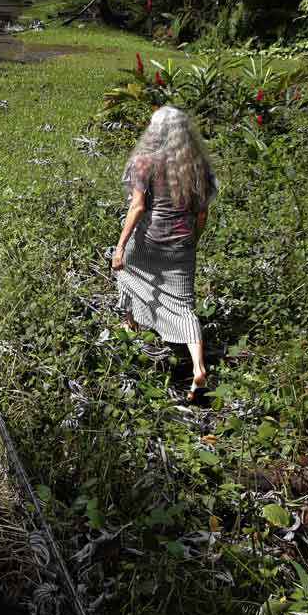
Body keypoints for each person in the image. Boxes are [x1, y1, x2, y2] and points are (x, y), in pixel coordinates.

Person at [111, 106, 218, 402]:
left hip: (150, 241)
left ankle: (131, 328)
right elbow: (202, 211)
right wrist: (193, 240)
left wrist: (120, 247)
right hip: (181, 244)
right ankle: (199, 367)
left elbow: (137, 207)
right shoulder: (197, 165)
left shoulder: (145, 162)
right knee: (184, 305)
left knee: (126, 272)